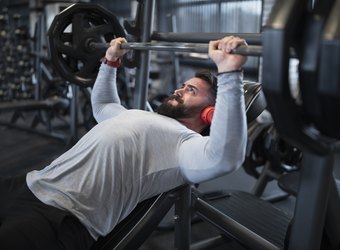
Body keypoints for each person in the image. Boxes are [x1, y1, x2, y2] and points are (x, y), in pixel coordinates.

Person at [0, 36, 248, 249]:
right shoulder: (142, 116)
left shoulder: (186, 144)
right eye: (183, 85)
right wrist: (110, 61)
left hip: (59, 217)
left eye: (191, 90)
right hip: (29, 183)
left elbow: (224, 158)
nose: (179, 89)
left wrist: (229, 74)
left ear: (210, 113)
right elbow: (103, 106)